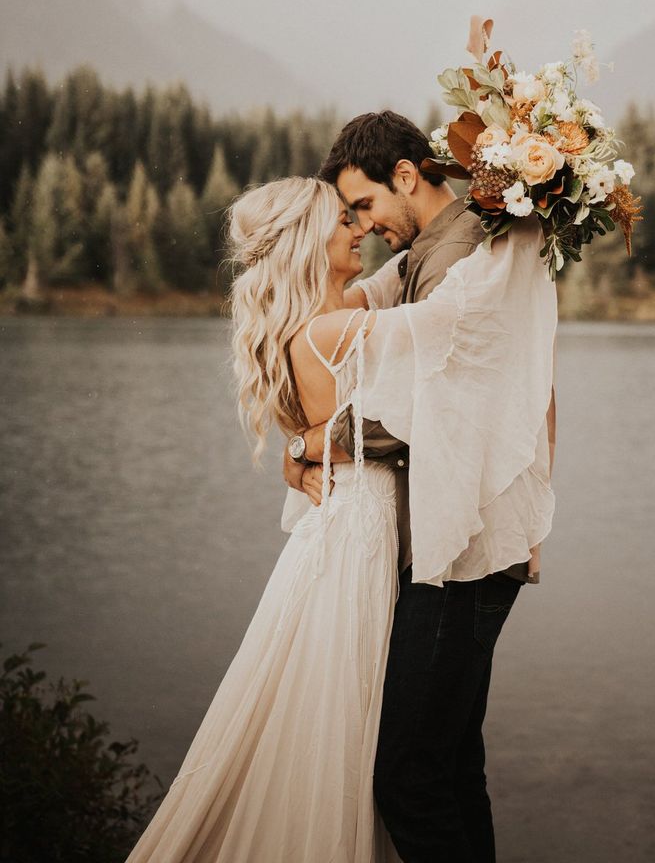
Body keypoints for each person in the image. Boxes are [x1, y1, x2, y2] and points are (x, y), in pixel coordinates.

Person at [284, 111, 557, 863]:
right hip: (462, 536)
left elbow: (435, 413)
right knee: (450, 766)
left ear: (407, 176)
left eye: (365, 205)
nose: (365, 226)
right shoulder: (428, 256)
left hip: (464, 547)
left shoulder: (467, 256)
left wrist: (311, 441)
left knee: (405, 774)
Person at [126, 176, 402, 862]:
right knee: (346, 710)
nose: (359, 229)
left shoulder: (312, 322)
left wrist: (305, 443)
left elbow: (395, 287)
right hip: (361, 531)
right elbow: (443, 347)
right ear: (311, 240)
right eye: (344, 221)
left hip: (340, 524)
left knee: (315, 702)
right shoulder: (337, 329)